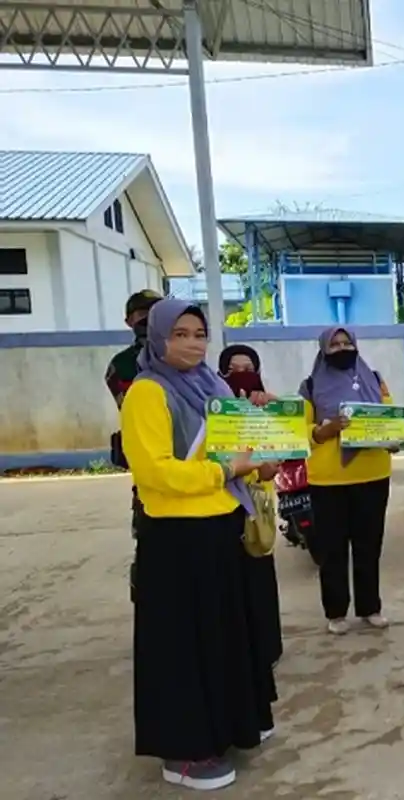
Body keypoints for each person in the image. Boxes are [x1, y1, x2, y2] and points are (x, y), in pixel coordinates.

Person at [121, 299, 277, 791]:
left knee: (223, 636)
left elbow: (240, 450)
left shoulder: (214, 386)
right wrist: (224, 470)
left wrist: (263, 440)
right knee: (183, 648)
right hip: (175, 541)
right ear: (158, 336)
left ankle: (230, 726)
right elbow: (155, 471)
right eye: (180, 333)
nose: (192, 343)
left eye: (200, 333)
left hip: (220, 529)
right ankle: (183, 754)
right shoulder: (148, 392)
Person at [300, 328, 395, 635]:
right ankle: (336, 611)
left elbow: (389, 417)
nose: (342, 348)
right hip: (328, 480)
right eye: (335, 344)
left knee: (369, 546)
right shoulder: (311, 385)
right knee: (332, 549)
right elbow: (300, 433)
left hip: (373, 473)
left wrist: (392, 437)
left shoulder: (375, 378)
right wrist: (324, 431)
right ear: (323, 350)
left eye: (347, 343)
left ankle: (370, 607)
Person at [219, 344, 285, 668]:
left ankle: (267, 648)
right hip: (223, 501)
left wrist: (271, 403)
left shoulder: (268, 407)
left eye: (249, 367)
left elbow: (286, 441)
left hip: (258, 503)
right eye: (233, 368)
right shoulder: (215, 410)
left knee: (260, 572)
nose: (242, 373)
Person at [105, 289, 161, 600]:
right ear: (129, 321)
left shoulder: (181, 355)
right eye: (142, 314)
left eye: (155, 312)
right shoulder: (124, 364)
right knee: (151, 533)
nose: (149, 318)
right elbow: (133, 409)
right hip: (149, 461)